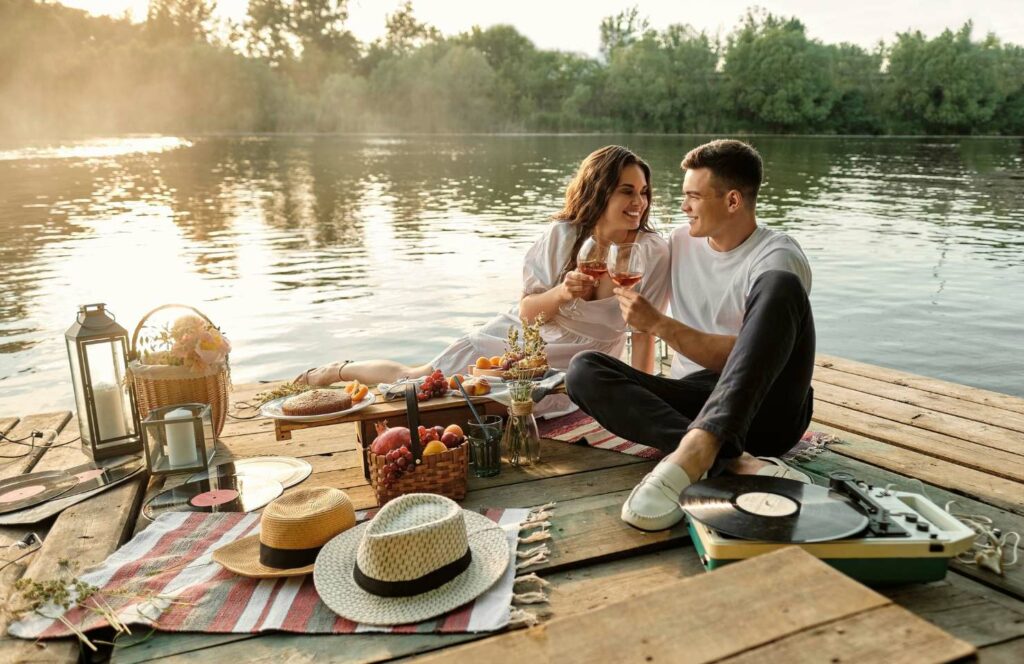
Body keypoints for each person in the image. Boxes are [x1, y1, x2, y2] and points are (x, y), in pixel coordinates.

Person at [297, 146, 671, 411]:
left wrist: (643, 398)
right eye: (627, 191)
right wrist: (561, 292)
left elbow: (644, 334)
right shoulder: (564, 236)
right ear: (600, 191)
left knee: (499, 409)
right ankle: (333, 372)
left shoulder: (650, 253)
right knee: (422, 380)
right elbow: (528, 312)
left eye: (643, 193)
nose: (639, 202)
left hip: (588, 358)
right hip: (527, 338)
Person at [566, 139, 816, 531]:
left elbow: (749, 360)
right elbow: (626, 266)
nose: (683, 207)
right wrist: (572, 285)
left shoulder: (777, 258)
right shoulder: (679, 243)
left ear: (733, 201)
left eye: (693, 197)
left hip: (767, 410)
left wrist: (660, 324)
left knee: (782, 288)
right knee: (583, 371)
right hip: (697, 402)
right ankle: (729, 460)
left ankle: (692, 454)